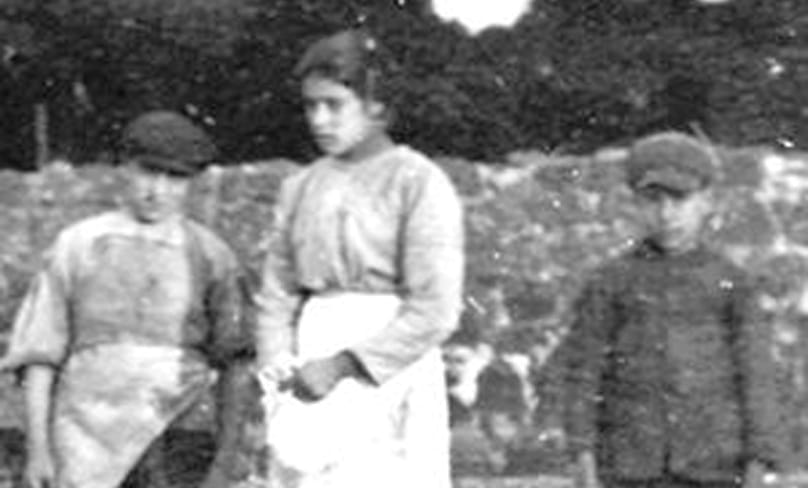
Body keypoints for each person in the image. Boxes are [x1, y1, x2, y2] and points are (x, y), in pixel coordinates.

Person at [254, 29, 464, 487]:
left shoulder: (418, 182)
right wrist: (277, 370)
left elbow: (436, 308)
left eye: (334, 105)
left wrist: (346, 366)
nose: (319, 120)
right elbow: (277, 291)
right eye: (311, 106)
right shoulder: (300, 188)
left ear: (375, 106)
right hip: (310, 353)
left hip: (388, 359)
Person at [0, 110, 250, 488]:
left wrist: (227, 458)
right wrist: (39, 451)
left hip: (175, 430)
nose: (158, 190)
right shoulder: (78, 245)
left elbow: (235, 363)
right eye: (148, 171)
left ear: (193, 182)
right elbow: (40, 354)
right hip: (84, 437)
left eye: (175, 178)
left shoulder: (211, 255)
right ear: (124, 167)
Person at [562, 131, 784, 488]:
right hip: (631, 466)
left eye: (680, 200)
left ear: (706, 201)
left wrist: (760, 461)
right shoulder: (611, 281)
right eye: (652, 200)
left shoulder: (731, 282)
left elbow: (756, 375)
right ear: (634, 203)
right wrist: (582, 457)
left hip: (714, 466)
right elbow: (584, 375)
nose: (666, 214)